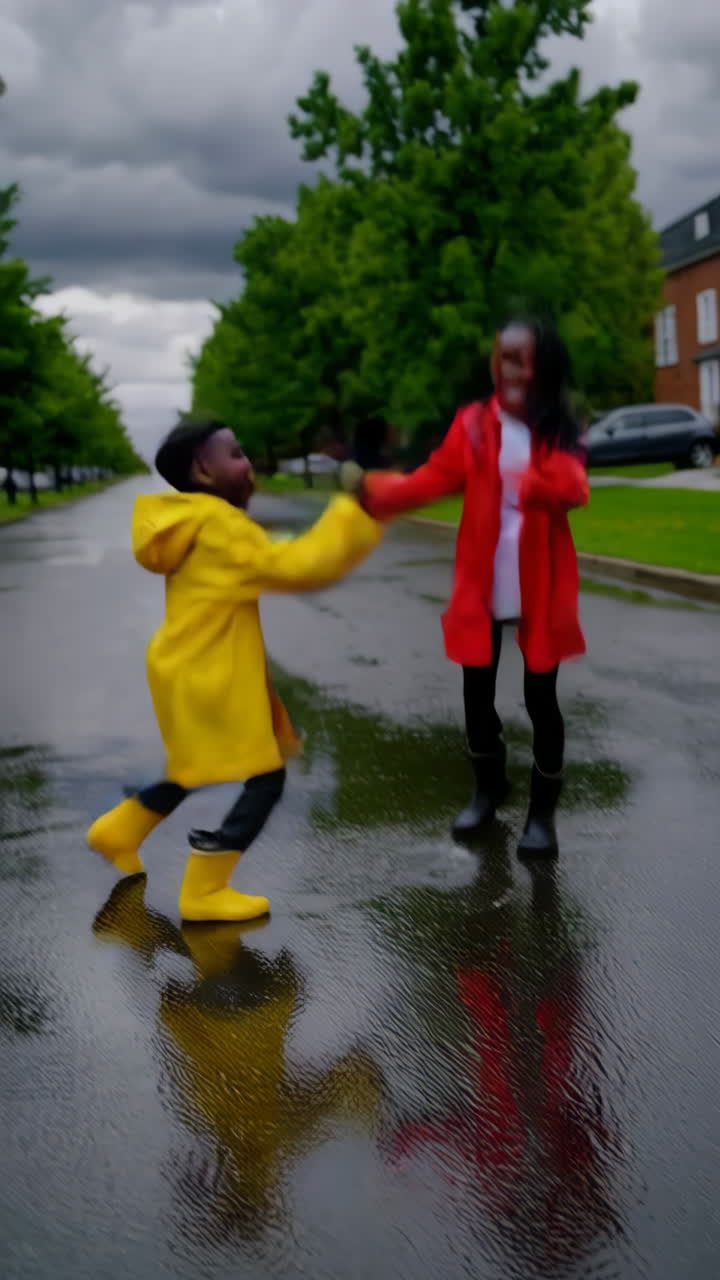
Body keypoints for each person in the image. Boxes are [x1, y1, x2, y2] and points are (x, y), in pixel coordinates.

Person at [87, 418, 383, 922]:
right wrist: (354, 516)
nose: (248, 465)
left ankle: (119, 831)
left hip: (186, 667)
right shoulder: (220, 525)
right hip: (211, 672)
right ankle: (205, 889)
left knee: (194, 769)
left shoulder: (189, 520)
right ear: (203, 469)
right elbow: (296, 567)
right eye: (237, 453)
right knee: (265, 776)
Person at [344, 316, 589, 858]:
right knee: (475, 693)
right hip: (483, 578)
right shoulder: (475, 423)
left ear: (543, 365)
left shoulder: (558, 425)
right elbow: (434, 477)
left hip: (539, 580)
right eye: (505, 357)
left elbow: (574, 487)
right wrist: (378, 494)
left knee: (540, 696)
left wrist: (530, 480)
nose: (513, 369)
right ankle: (487, 789)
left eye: (524, 358)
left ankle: (543, 815)